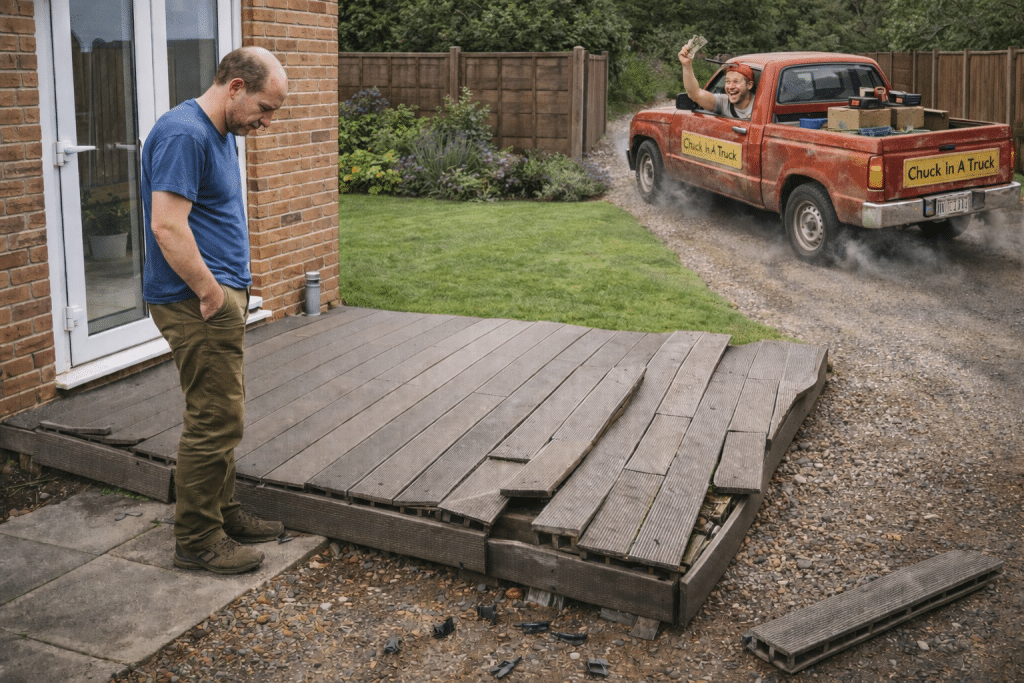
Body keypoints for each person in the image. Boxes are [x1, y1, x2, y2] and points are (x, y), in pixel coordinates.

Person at [141, 46, 289, 574]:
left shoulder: (221, 132)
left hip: (216, 298)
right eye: (265, 109)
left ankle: (222, 513)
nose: (267, 123)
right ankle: (199, 541)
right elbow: (167, 225)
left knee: (223, 413)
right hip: (194, 302)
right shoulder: (186, 134)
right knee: (214, 418)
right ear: (235, 88)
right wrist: (211, 293)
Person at [678, 44, 756, 120]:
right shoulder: (723, 102)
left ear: (749, 85)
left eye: (736, 81)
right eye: (728, 82)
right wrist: (686, 64)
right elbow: (695, 94)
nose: (731, 87)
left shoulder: (761, 105)